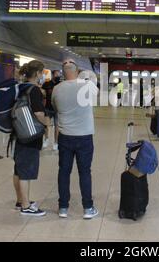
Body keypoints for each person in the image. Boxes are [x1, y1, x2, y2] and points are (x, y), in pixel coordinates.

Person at [52, 59, 99, 219]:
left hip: (65, 136)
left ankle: (63, 208)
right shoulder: (87, 86)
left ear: (63, 73)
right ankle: (88, 208)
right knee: (85, 172)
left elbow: (55, 108)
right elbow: (94, 83)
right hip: (84, 136)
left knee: (64, 172)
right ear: (77, 71)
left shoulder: (56, 89)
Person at [13, 60, 47, 216]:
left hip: (19, 133)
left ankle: (20, 201)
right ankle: (26, 206)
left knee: (19, 170)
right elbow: (39, 114)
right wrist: (48, 124)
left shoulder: (20, 87)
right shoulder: (34, 90)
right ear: (38, 73)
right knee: (26, 171)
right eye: (42, 73)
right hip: (31, 135)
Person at [42, 70, 61, 150]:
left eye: (59, 74)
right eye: (56, 74)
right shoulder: (47, 84)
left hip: (57, 108)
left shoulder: (60, 84)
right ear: (53, 75)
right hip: (48, 108)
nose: (58, 76)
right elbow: (42, 93)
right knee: (46, 125)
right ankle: (46, 139)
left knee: (57, 126)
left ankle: (56, 143)